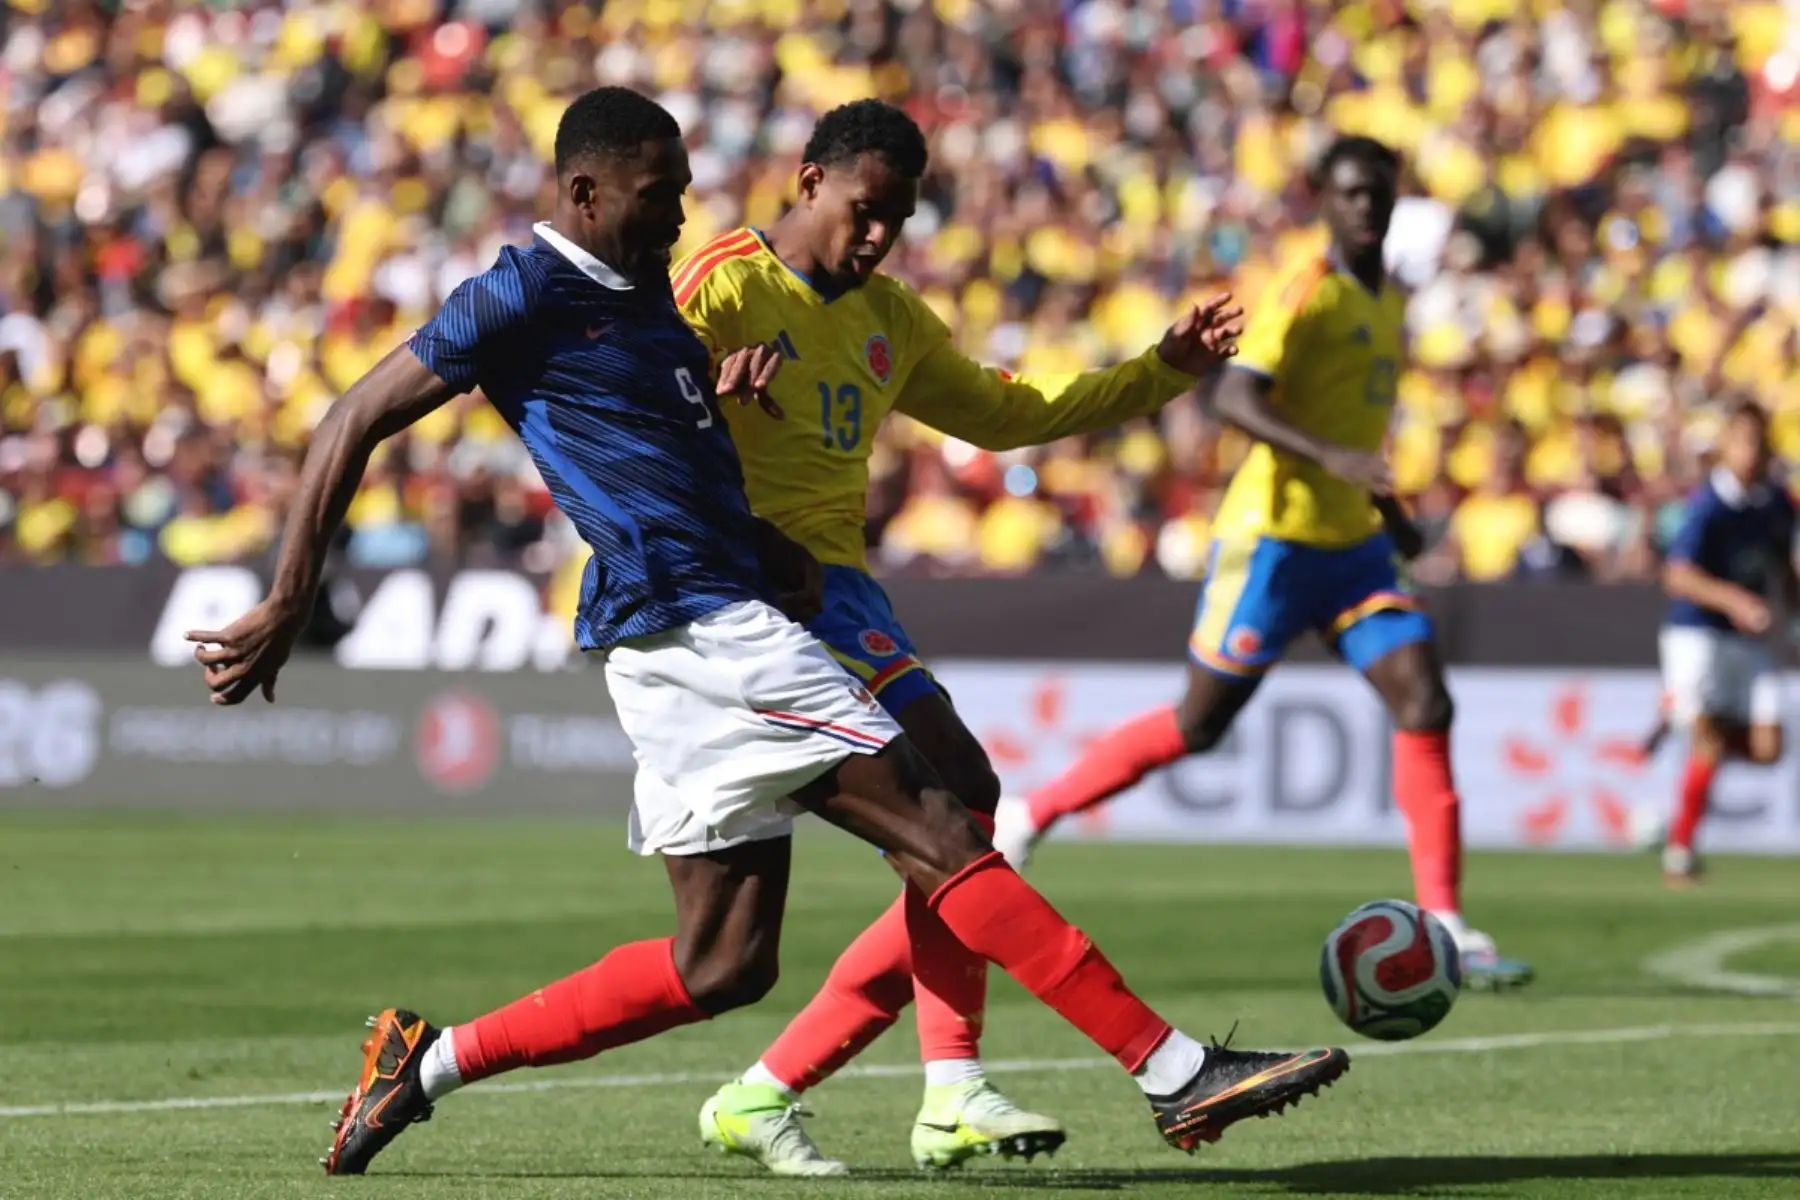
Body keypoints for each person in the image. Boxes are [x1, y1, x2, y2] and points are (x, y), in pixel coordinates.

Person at [183, 87, 1349, 1178]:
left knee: (725, 965)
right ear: (585, 194)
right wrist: (291, 598)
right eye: (661, 190)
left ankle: (421, 1063)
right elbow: (354, 415)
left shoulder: (651, 294)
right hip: (703, 624)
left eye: (684, 188)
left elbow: (681, 439)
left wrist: (751, 495)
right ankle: (1172, 1071)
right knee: (941, 819)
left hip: (717, 615)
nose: (685, 209)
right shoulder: (528, 291)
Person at [671, 99, 1245, 1175]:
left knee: (965, 802)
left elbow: (1014, 416)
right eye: (864, 209)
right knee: (933, 821)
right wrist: (705, 390)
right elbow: (631, 411)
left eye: (899, 217)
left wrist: (1161, 369)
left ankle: (912, 1089)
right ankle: (957, 1083)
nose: (879, 234)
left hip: (845, 590)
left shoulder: (892, 320)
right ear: (809, 184)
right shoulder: (725, 281)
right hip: (751, 594)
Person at [993, 135, 1534, 992]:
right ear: (1324, 197)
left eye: (1380, 195)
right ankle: (1034, 810)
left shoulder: (1387, 298)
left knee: (1425, 697)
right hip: (1274, 542)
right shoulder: (1305, 289)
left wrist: (1389, 512)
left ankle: (1448, 923)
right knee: (1200, 725)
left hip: (1353, 546)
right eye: (1352, 193)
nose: (1367, 207)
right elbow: (1236, 395)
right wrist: (1337, 461)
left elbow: (1356, 436)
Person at [1654, 400, 1796, 886]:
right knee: (1710, 738)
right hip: (1698, 632)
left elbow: (1784, 565)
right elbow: (1676, 575)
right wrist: (1734, 599)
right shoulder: (1709, 503)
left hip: (1745, 635)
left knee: (1769, 745)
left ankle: (1684, 741)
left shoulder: (1775, 502)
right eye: (1743, 442)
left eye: (1758, 442)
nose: (1751, 453)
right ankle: (1680, 849)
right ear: (1726, 448)